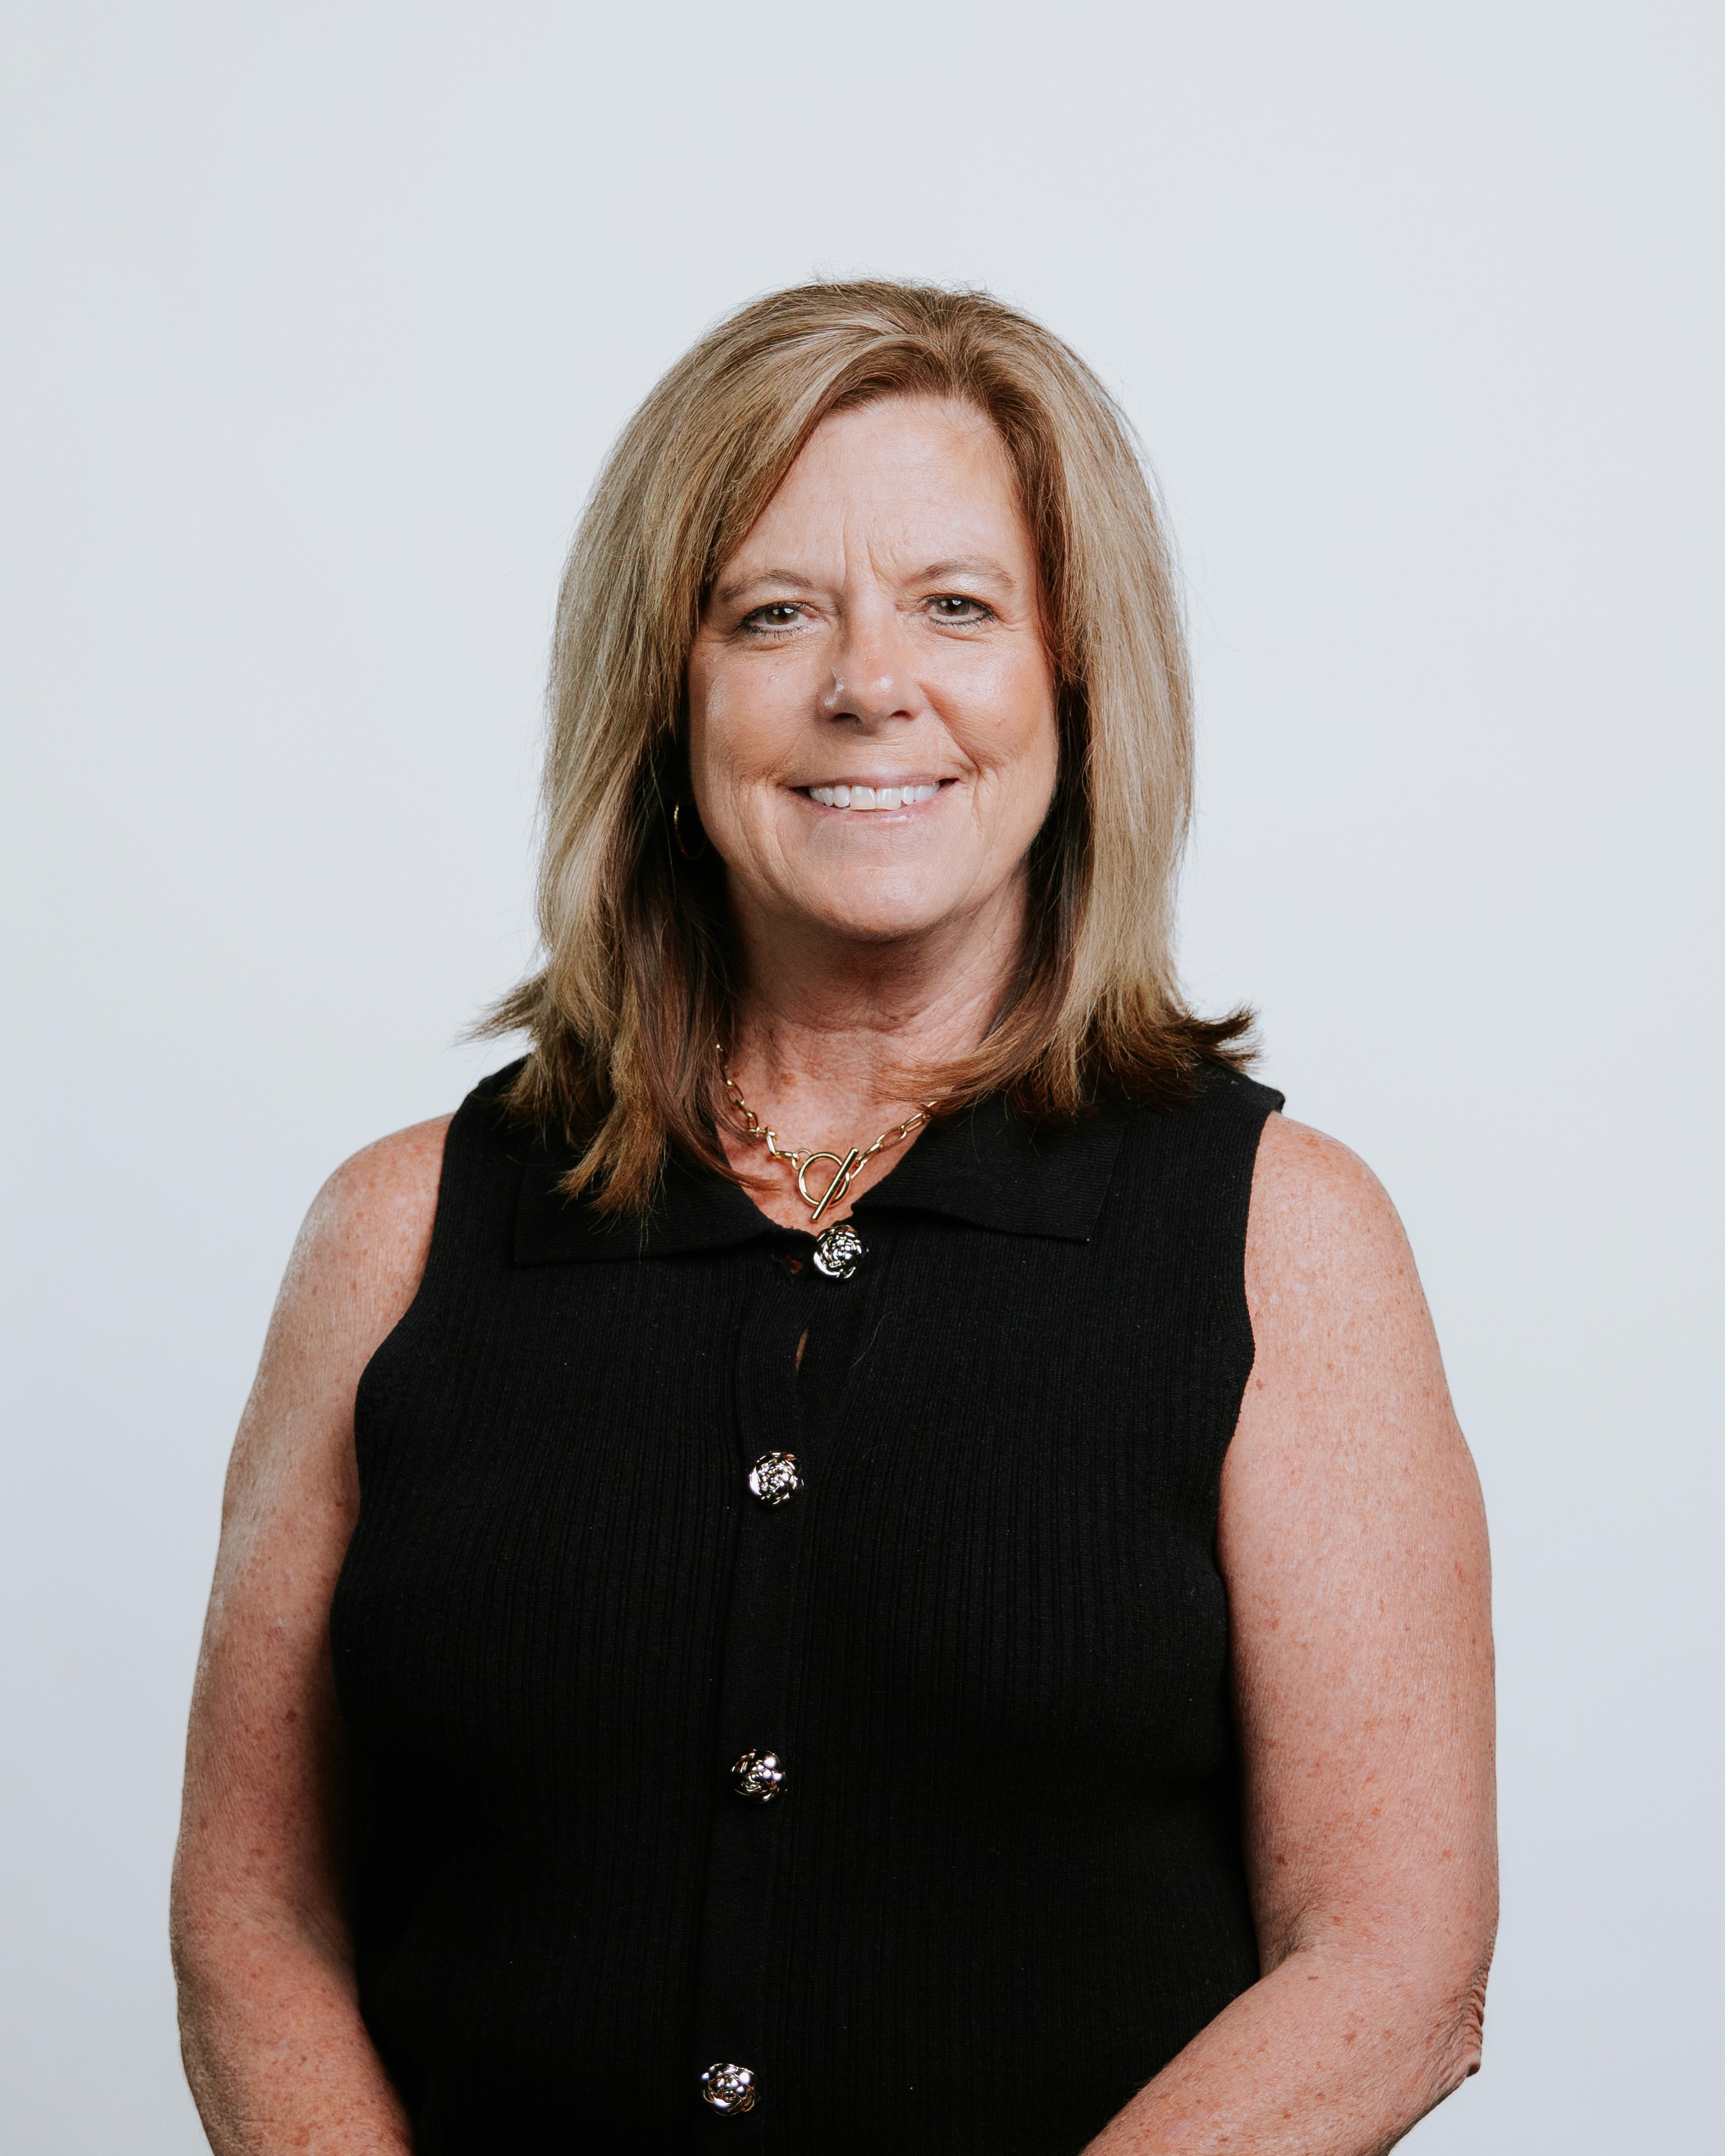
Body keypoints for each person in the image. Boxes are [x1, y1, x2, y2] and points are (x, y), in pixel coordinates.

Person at [171, 281, 1496, 2156]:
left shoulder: (1286, 1239)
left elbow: (1393, 1965)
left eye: (958, 606)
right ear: (666, 695)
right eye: (774, 614)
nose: (872, 685)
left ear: (1077, 680)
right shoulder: (396, 1236)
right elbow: (253, 1920)